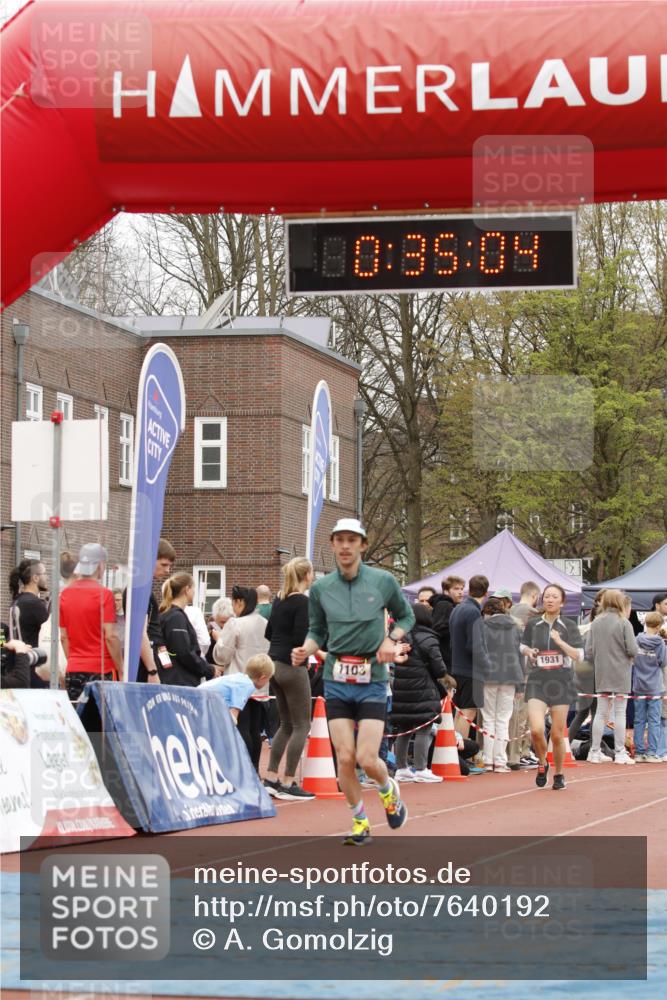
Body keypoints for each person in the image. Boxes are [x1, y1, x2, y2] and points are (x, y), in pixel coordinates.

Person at [292, 518, 414, 846]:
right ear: (332, 544)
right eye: (340, 540)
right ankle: (360, 820)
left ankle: (389, 792)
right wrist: (306, 648)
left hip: (372, 677)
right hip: (336, 679)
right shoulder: (320, 588)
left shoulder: (383, 581)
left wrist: (391, 638)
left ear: (363, 544)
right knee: (344, 757)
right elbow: (317, 631)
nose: (345, 546)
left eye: (352, 540)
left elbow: (407, 615)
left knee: (366, 758)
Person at [263, 557, 317, 801]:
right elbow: (300, 637)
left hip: (273, 664)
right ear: (307, 576)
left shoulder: (279, 599)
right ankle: (288, 781)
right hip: (293, 666)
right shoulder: (302, 602)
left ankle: (271, 777)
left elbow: (269, 632)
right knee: (302, 725)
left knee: (285, 723)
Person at [523, 583, 584, 790]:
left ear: (562, 601)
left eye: (554, 597)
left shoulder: (569, 625)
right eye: (546, 596)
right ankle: (542, 762)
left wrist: (560, 642)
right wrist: (529, 652)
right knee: (537, 730)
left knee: (557, 735)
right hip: (537, 681)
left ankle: (558, 773)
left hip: (561, 682)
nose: (549, 600)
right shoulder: (533, 624)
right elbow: (522, 645)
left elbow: (578, 655)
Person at [392, 602, 454, 783]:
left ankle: (401, 767)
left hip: (402, 688)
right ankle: (420, 768)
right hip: (423, 687)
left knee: (403, 729)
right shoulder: (429, 638)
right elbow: (439, 668)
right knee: (423, 727)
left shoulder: (400, 636)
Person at [213, 586, 270, 769]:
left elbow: (222, 655)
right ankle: (254, 770)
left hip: (238, 683)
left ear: (239, 602)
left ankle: (243, 770)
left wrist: (219, 638)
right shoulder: (264, 622)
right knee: (255, 730)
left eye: (233, 603)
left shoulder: (235, 624)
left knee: (242, 728)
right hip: (260, 685)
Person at [59, 543, 123, 702]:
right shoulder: (105, 595)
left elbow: (64, 637)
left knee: (79, 721)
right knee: (101, 723)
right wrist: (121, 668)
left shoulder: (64, 595)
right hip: (101, 669)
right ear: (100, 565)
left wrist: (74, 660)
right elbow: (111, 637)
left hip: (74, 669)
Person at [584, 589, 639, 765]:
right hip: (621, 672)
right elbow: (632, 649)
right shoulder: (624, 622)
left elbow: (589, 652)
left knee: (600, 712)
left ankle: (594, 751)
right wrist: (629, 657)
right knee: (620, 711)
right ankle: (620, 752)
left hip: (601, 673)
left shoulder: (596, 622)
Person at [476, 597, 529, 772]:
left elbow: (478, 652)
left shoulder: (482, 626)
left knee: (488, 718)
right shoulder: (515, 627)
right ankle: (500, 760)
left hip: (488, 676)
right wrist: (521, 684)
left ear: (487, 612)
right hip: (510, 676)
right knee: (504, 719)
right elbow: (520, 655)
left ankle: (488, 759)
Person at [123, 537, 176, 684]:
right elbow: (140, 632)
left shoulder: (144, 589)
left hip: (152, 659)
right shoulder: (138, 589)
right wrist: (152, 670)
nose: (167, 570)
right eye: (163, 564)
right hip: (144, 665)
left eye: (169, 566)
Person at [449, 575, 489, 737]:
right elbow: (475, 646)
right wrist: (488, 667)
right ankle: (459, 754)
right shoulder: (473, 612)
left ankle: (453, 753)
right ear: (486, 593)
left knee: (460, 713)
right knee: (468, 713)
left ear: (469, 590)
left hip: (458, 668)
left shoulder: (457, 609)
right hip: (471, 670)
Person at [159, 573, 216, 687]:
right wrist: (208, 669)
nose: (194, 592)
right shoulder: (176, 617)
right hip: (180, 681)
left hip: (172, 678)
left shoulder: (169, 614)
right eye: (194, 588)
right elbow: (183, 652)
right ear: (187, 589)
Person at [8, 558, 49, 686]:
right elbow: (51, 633)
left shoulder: (17, 601)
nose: (47, 577)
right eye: (45, 573)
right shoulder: (35, 604)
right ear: (35, 578)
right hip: (34, 668)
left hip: (17, 665)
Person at [632, 611, 666, 762]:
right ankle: (652, 752)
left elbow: (633, 658)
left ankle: (639, 752)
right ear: (659, 626)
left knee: (639, 720)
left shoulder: (637, 639)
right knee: (654, 720)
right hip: (654, 687)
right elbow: (663, 662)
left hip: (639, 684)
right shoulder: (660, 643)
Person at [202, 653, 275, 721]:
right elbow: (233, 717)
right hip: (202, 701)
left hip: (199, 697)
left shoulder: (240, 678)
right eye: (269, 678)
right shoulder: (247, 685)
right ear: (262, 678)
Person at [429, 575, 465, 670]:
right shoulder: (445, 605)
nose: (460, 592)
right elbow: (438, 630)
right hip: (446, 661)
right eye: (456, 589)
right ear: (446, 591)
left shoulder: (449, 605)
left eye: (462, 588)